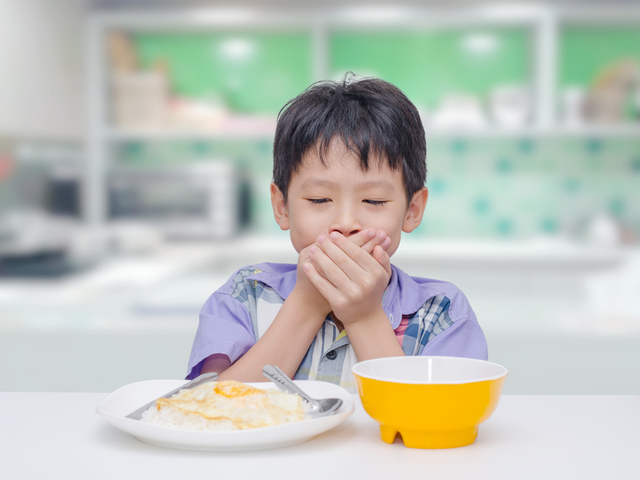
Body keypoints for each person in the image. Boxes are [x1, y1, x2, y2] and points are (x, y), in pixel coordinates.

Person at [186, 73, 487, 392]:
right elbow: (215, 410)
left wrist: (364, 317)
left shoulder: (441, 312)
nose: (345, 222)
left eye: (374, 200)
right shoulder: (243, 296)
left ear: (412, 210)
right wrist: (307, 304)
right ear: (282, 207)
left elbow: (435, 427)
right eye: (319, 199)